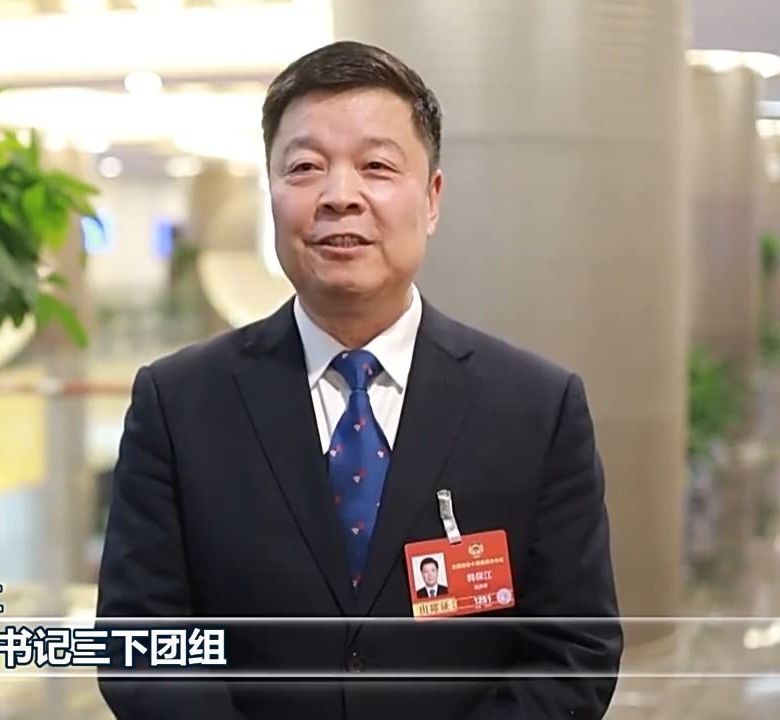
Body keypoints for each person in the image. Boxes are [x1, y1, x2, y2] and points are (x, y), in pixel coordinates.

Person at [95, 40, 623, 720]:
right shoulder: (178, 404)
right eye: (305, 167)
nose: (340, 197)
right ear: (271, 193)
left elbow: (574, 650)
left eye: (376, 166)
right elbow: (140, 644)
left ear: (431, 200)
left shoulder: (536, 409)